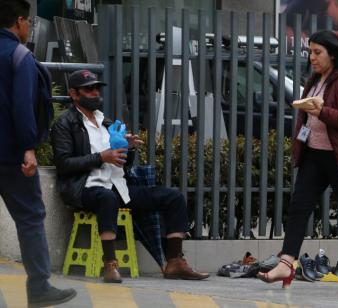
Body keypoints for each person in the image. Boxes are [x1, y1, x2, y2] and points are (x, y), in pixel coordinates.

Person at [50, 69, 209, 283]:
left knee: (174, 197)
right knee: (107, 198)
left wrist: (128, 148)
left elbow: (121, 166)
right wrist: (101, 157)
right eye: (89, 89)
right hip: (86, 188)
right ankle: (110, 265)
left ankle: (174, 262)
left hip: (118, 186)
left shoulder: (104, 122)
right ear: (74, 94)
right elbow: (64, 164)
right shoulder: (65, 124)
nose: (95, 93)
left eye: (97, 88)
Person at [257, 30, 338, 292]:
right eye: (310, 52)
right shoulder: (316, 79)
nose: (312, 57)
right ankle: (286, 263)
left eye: (317, 52)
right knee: (299, 207)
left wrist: (322, 111)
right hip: (314, 155)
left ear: (332, 54)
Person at [0, 0, 77, 306]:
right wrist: (29, 147)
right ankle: (39, 287)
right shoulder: (19, 56)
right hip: (12, 156)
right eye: (29, 22)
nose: (29, 27)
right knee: (30, 217)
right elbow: (22, 106)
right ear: (19, 21)